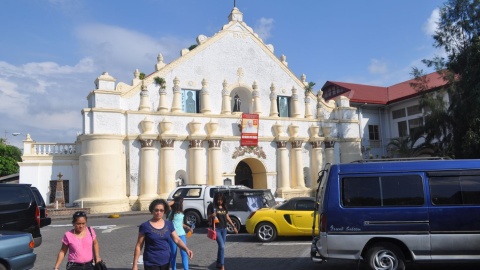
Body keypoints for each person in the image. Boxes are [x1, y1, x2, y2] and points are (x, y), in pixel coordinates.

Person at [132, 199, 193, 270]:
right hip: (151, 262)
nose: (159, 212)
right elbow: (139, 245)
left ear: (164, 211)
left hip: (166, 262)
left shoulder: (169, 224)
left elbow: (177, 240)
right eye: (156, 210)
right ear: (152, 211)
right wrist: (135, 265)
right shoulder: (145, 226)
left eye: (161, 210)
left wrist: (186, 249)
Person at [207, 192, 238, 270]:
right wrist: (211, 216)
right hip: (216, 229)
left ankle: (218, 263)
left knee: (221, 247)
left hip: (224, 229)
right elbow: (208, 219)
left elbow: (227, 217)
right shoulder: (213, 207)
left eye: (221, 200)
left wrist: (233, 226)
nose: (219, 201)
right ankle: (222, 265)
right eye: (218, 200)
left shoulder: (224, 207)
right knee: (222, 246)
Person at [167, 197, 193, 270]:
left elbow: (180, 223)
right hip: (172, 235)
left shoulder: (181, 212)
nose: (183, 203)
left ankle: (186, 269)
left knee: (184, 253)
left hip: (181, 234)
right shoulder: (170, 211)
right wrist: (175, 201)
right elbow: (166, 205)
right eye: (182, 202)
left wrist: (188, 227)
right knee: (173, 254)